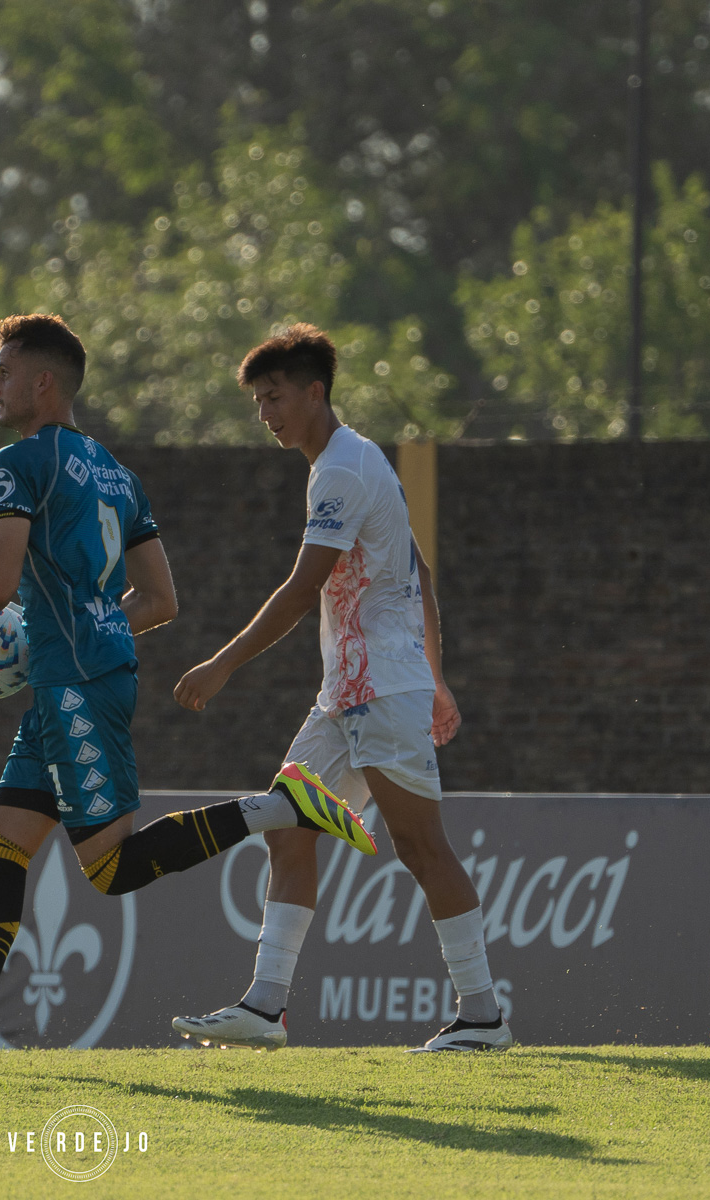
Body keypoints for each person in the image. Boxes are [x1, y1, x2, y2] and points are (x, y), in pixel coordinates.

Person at [0, 314, 376, 1070]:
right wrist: (90, 631)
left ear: (42, 383)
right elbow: (160, 600)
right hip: (76, 679)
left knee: (108, 869)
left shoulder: (19, 460)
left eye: (2, 372)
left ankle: (283, 805)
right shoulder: (116, 474)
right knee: (1, 846)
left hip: (74, 689)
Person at [169, 325, 511, 1053]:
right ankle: (265, 1007)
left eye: (275, 397)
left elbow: (302, 590)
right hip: (348, 696)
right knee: (292, 830)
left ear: (314, 392)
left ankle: (483, 1015)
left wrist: (222, 663)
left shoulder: (343, 470)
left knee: (421, 848)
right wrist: (440, 676)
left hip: (382, 692)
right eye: (259, 401)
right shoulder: (348, 462)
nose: (266, 414)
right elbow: (419, 570)